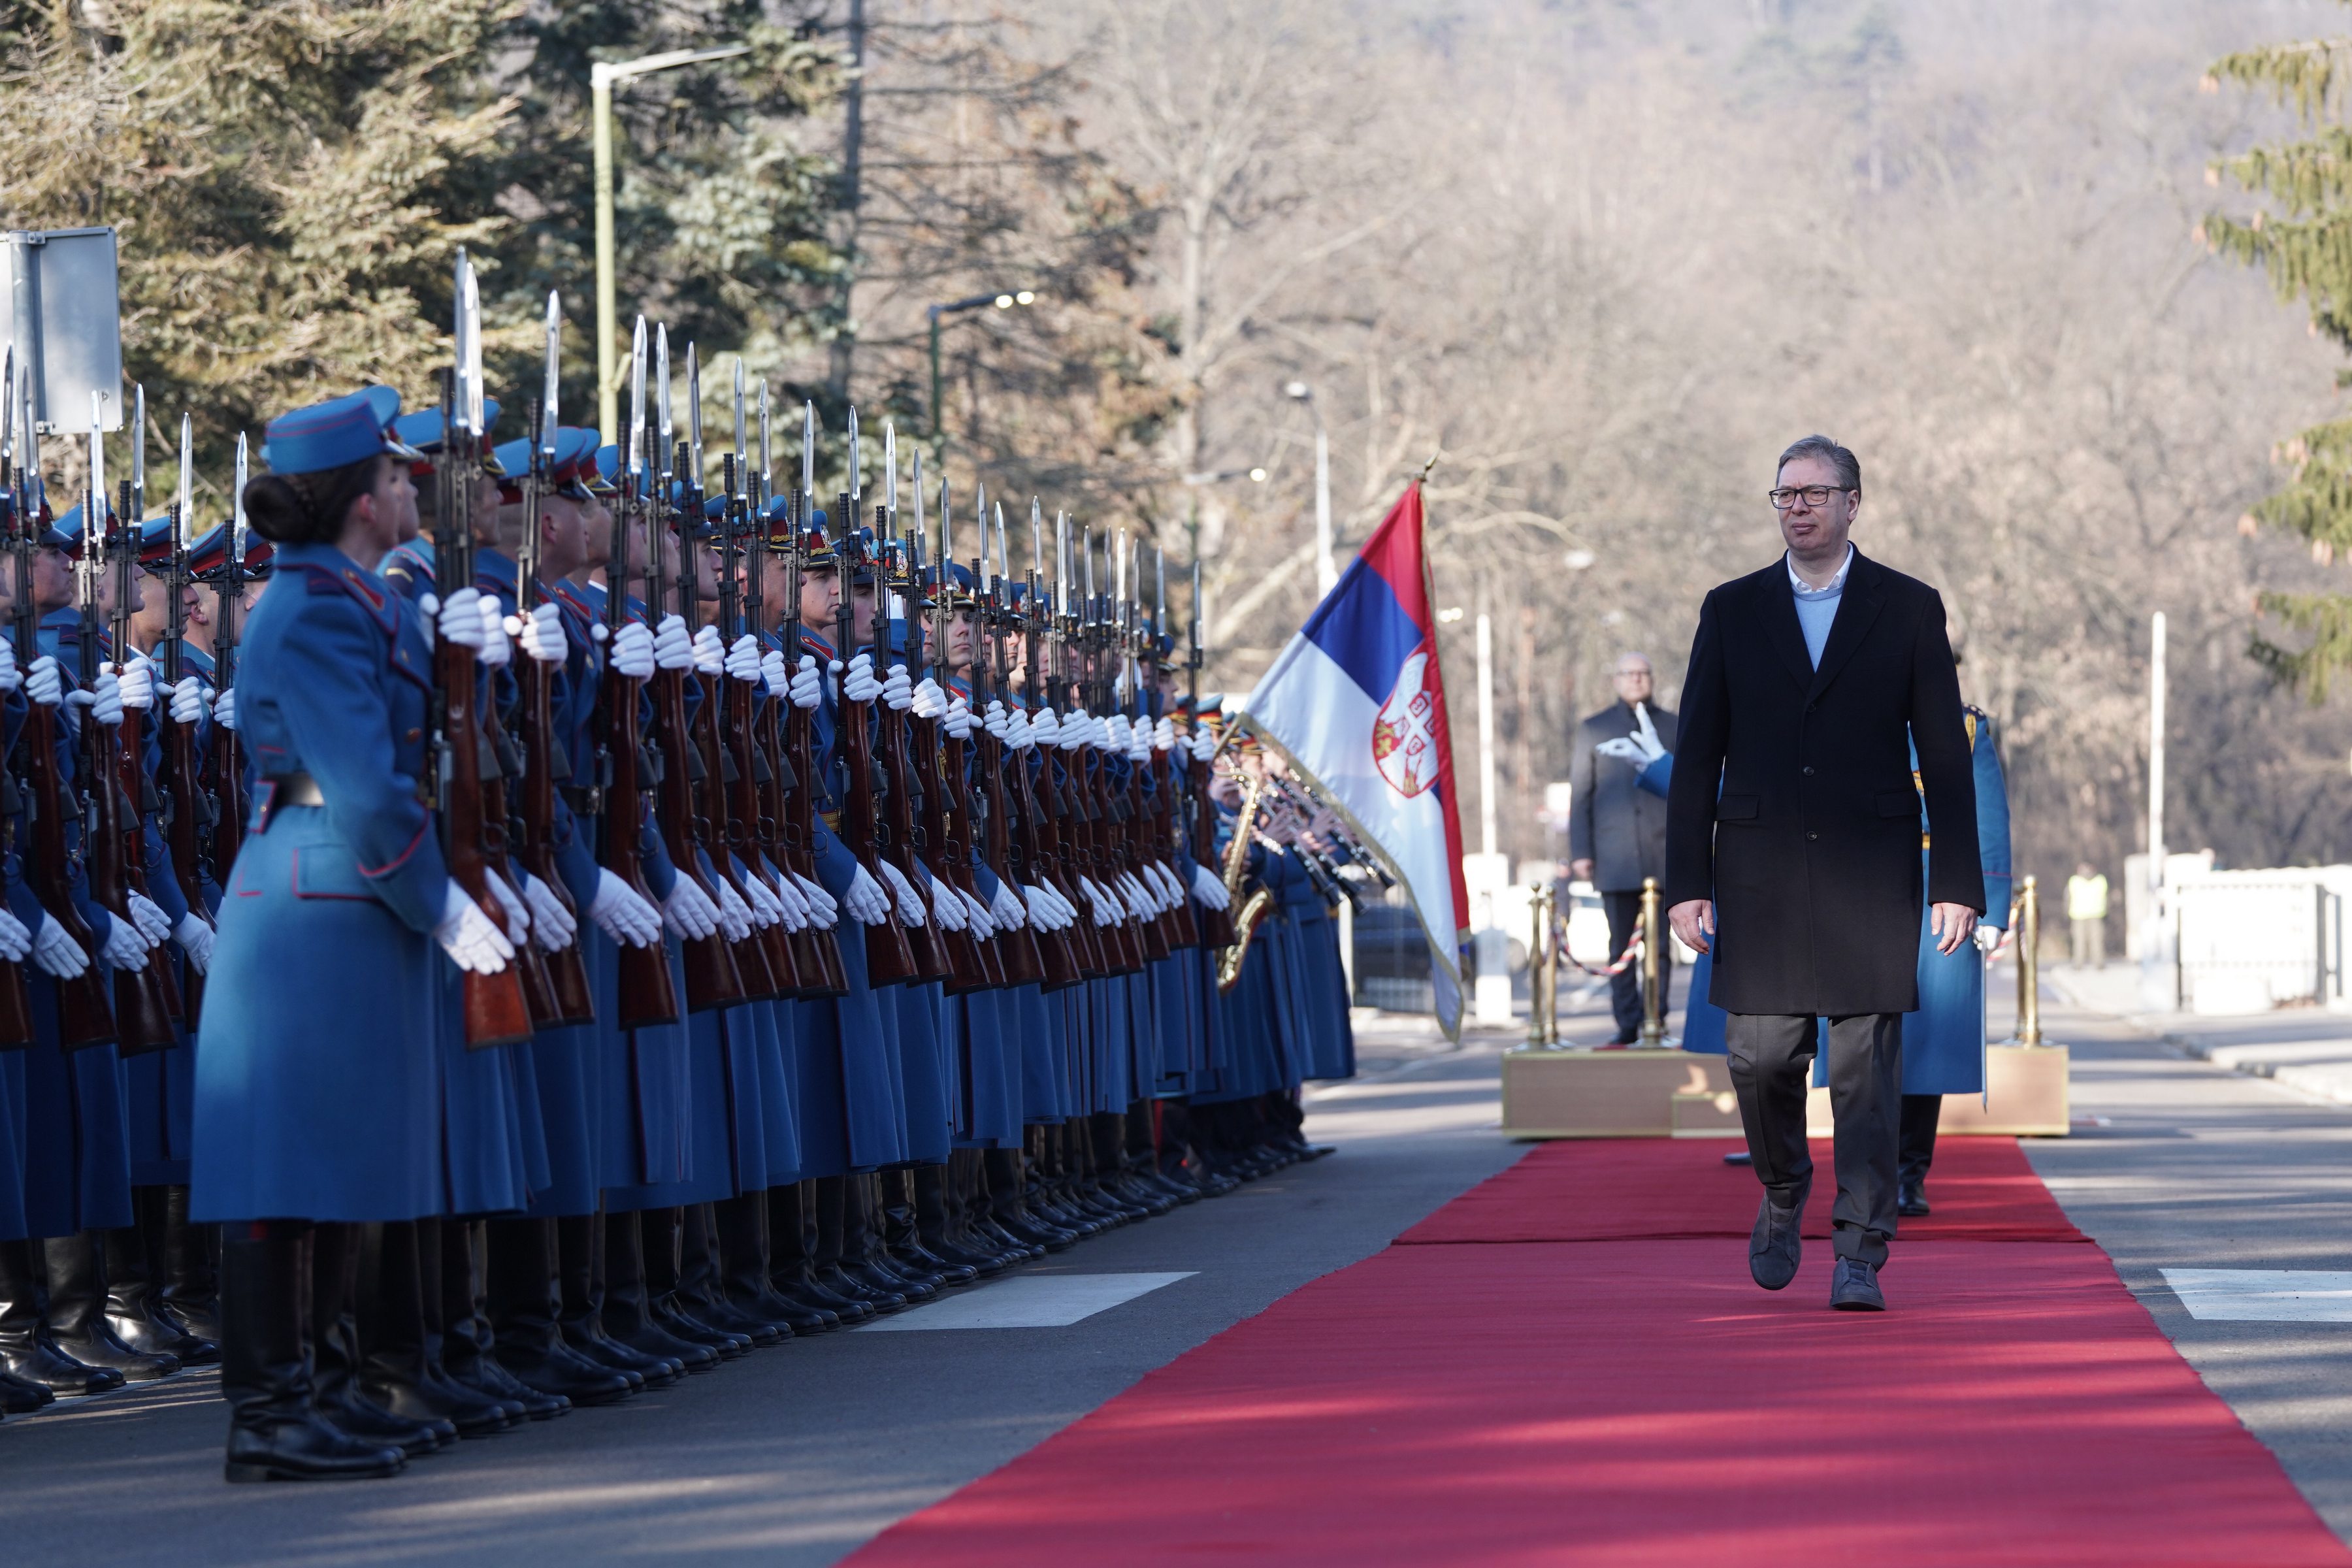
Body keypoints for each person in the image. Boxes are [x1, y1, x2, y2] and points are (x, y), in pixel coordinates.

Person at [192, 385, 521, 1480]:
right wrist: (440, 901)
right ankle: (269, 1411)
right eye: (393, 476)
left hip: (344, 896)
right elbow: (366, 787)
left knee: (336, 1164)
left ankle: (323, 1389)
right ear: (360, 503)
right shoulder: (317, 607)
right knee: (283, 1167)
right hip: (321, 893)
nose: (407, 488)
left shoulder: (350, 595)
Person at [1664, 434, 1982, 1314]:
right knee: (1758, 1059)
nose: (1796, 505)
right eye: (1784, 493)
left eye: (1813, 491)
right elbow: (1696, 756)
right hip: (1759, 874)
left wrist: (1958, 879)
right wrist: (1688, 880)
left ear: (1853, 502)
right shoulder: (1731, 610)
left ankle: (1861, 1247)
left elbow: (1945, 753)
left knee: (1866, 1076)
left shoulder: (1909, 608)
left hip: (1870, 875)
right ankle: (1782, 1184)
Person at [1569, 655, 1678, 1044]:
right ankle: (1627, 1023)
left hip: (1664, 852)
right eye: (1628, 674)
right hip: (1614, 856)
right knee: (1619, 945)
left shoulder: (1674, 725)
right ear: (1615, 680)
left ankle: (1657, 1019)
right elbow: (1581, 795)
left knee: (1661, 945)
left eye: (1642, 673)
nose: (1636, 680)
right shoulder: (1593, 729)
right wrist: (1581, 852)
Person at [2067, 863, 2108, 970]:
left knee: (2079, 941)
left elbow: (2067, 898)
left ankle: (2078, 964)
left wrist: (2067, 911)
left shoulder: (2074, 881)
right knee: (2096, 941)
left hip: (2078, 915)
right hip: (2096, 914)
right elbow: (2106, 898)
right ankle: (2099, 963)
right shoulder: (2100, 880)